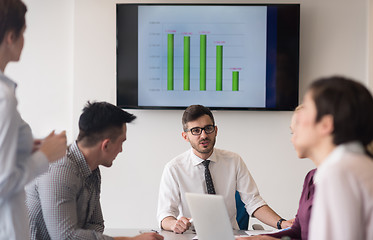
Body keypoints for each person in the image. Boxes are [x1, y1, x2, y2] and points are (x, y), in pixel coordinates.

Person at [26, 102, 163, 240]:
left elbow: (96, 224)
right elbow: (65, 237)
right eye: (122, 142)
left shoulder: (92, 170)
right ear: (106, 145)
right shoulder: (60, 170)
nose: (121, 150)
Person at [157, 104, 293, 234]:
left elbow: (253, 202)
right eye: (196, 131)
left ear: (215, 131)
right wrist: (174, 224)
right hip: (191, 235)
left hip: (229, 235)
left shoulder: (234, 161)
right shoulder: (173, 169)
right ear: (185, 136)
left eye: (208, 128)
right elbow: (165, 215)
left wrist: (282, 223)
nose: (203, 135)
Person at [0, 0, 67, 239]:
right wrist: (45, 156)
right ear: (10, 37)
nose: (24, 42)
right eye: (23, 34)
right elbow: (3, 182)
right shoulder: (4, 98)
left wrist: (24, 149)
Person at [292, 76, 373, 240]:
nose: (297, 118)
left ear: (326, 125)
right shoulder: (360, 164)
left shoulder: (339, 171)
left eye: (306, 109)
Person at [238, 105, 317, 240]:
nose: (292, 139)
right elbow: (297, 230)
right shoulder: (310, 177)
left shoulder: (338, 179)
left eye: (295, 132)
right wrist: (258, 238)